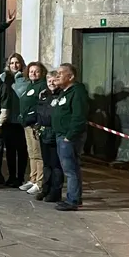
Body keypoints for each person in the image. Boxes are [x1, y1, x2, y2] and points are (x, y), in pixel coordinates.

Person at [52, 63, 89, 211]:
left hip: (68, 137)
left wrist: (69, 136)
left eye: (61, 73)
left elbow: (79, 116)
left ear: (71, 76)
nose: (57, 76)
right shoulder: (64, 92)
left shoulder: (77, 92)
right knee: (69, 168)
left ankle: (73, 200)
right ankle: (73, 197)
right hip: (61, 135)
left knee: (70, 169)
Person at [28, 71, 63, 202]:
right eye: (49, 81)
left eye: (54, 81)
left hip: (55, 133)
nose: (52, 83)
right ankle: (45, 189)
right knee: (46, 164)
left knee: (56, 166)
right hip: (44, 134)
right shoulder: (44, 96)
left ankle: (55, 192)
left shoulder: (61, 96)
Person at [19, 61, 49, 195]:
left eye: (36, 71)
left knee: (38, 154)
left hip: (35, 124)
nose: (33, 73)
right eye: (31, 71)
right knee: (31, 153)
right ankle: (33, 178)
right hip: (27, 125)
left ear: (42, 73)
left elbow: (40, 105)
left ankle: (39, 182)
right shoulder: (29, 86)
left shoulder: (42, 86)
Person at [1, 52, 29, 188]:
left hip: (20, 121)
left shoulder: (26, 79)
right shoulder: (3, 78)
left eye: (17, 62)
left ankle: (20, 177)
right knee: (10, 151)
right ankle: (11, 176)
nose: (14, 65)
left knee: (22, 150)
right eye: (12, 63)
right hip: (8, 120)